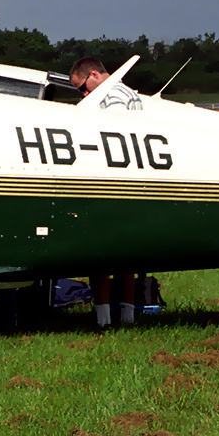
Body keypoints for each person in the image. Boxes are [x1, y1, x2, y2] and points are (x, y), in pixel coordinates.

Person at [69, 56, 142, 327]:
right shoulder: (126, 93)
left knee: (100, 256)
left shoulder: (113, 98)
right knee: (125, 258)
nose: (85, 94)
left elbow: (114, 137)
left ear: (93, 74)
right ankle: (126, 315)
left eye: (83, 88)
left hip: (114, 184)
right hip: (130, 186)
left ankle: (103, 319)